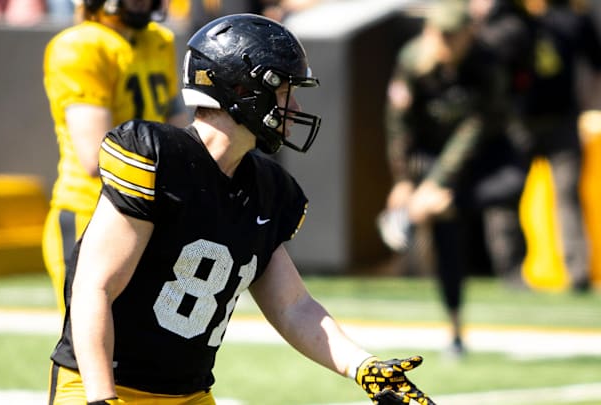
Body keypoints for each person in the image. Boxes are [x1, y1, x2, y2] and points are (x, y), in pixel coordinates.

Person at [47, 13, 436, 405]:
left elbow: (294, 307)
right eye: (284, 90)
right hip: (104, 385)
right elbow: (95, 286)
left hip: (190, 394)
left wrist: (364, 367)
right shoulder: (157, 157)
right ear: (241, 89)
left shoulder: (268, 188)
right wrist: (101, 398)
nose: (295, 105)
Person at [380, 0, 528, 356]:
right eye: (437, 34)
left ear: (468, 34)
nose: (443, 42)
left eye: (451, 35)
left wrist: (438, 185)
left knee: (486, 194)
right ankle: (455, 328)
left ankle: (428, 213)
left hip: (486, 156)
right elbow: (398, 123)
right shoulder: (414, 60)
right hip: (433, 154)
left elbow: (474, 129)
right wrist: (403, 180)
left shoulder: (485, 62)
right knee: (445, 234)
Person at [42, 0, 188, 313]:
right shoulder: (80, 46)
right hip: (92, 214)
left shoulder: (158, 39)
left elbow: (179, 132)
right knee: (84, 351)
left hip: (149, 214)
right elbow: (95, 156)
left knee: (141, 353)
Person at [478, 0, 601, 293]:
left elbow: (595, 59)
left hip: (561, 119)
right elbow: (486, 57)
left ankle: (577, 271)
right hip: (518, 120)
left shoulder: (569, 17)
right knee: (507, 192)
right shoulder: (508, 21)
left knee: (568, 194)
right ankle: (510, 271)